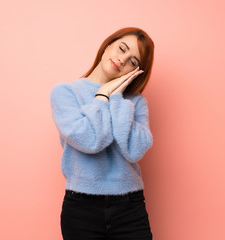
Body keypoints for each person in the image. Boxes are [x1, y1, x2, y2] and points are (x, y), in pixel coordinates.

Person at [50, 27, 154, 240]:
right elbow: (90, 140)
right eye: (121, 48)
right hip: (81, 208)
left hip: (130, 207)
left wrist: (116, 98)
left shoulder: (135, 102)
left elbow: (134, 151)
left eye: (133, 61)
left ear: (136, 72)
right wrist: (102, 95)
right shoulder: (65, 93)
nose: (122, 59)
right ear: (108, 45)